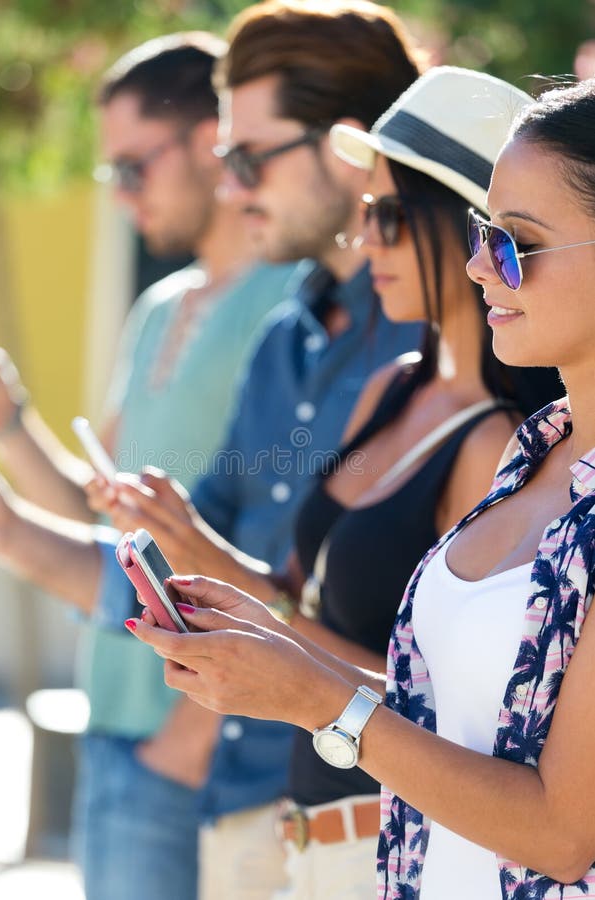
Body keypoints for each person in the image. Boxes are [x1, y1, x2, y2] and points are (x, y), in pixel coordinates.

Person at [128, 74, 595, 899]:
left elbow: (561, 835)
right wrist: (275, 649)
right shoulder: (530, 457)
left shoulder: (495, 441)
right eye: (484, 233)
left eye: (513, 240)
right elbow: (448, 724)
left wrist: (314, 695)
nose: (480, 265)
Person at [0, 32, 295, 900]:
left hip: (203, 755)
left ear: (210, 142)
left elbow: (287, 549)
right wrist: (5, 423)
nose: (120, 196)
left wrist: (185, 749)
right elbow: (105, 519)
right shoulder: (160, 307)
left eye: (132, 167)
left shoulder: (292, 302)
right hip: (115, 727)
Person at [84, 2, 424, 895]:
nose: (230, 189)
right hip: (240, 800)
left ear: (346, 145)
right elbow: (208, 552)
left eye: (245, 158)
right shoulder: (285, 336)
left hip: (381, 819)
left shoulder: (447, 344)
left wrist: (206, 558)